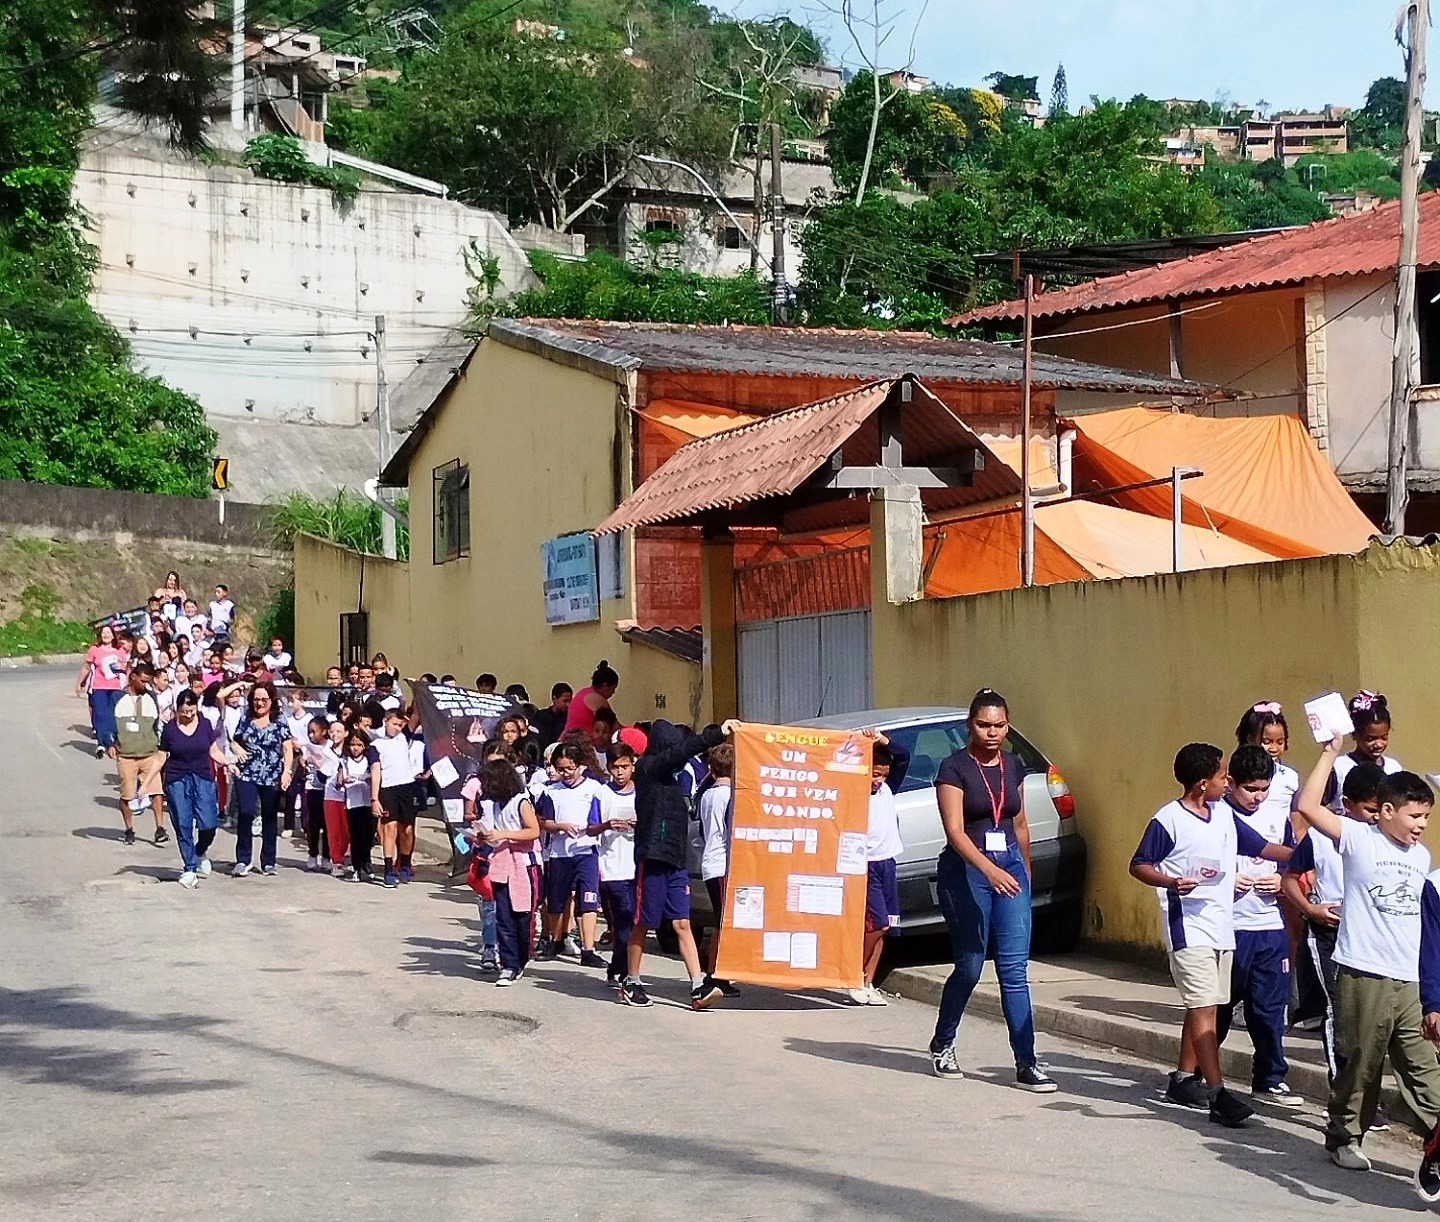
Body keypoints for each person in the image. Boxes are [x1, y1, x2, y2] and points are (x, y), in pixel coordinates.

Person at [1294, 738, 1440, 1174]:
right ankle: (1343, 1136)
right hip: (1363, 972)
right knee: (1362, 1062)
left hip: (1409, 979)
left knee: (1423, 1065)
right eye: (1415, 816)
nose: (1421, 826)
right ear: (1387, 811)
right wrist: (1329, 753)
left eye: (1428, 818)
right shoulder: (1359, 837)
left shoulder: (1422, 857)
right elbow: (1307, 805)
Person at [1130, 741, 1293, 1127]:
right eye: (1223, 776)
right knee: (1206, 1011)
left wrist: (1313, 852)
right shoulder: (1168, 819)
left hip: (1222, 929)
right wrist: (1171, 881)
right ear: (1204, 783)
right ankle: (1218, 1093)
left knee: (1207, 1007)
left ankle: (1184, 1079)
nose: (1228, 782)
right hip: (1189, 930)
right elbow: (1139, 864)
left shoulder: (1222, 815)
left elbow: (1264, 847)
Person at [928, 690, 1055, 1091]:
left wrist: (1025, 876)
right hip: (968, 870)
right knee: (969, 965)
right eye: (984, 725)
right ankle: (943, 1042)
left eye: (999, 725)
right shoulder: (954, 768)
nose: (992, 732)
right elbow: (954, 833)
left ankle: (1026, 1062)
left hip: (1011, 870)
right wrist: (988, 869)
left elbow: (1019, 826)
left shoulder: (1014, 765)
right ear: (970, 724)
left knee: (1014, 971)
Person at [1284, 762, 1386, 1083]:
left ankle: (1363, 1089)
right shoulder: (1320, 838)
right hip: (1328, 934)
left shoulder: (1387, 840)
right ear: (1348, 803)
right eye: (1369, 809)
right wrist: (1309, 910)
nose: (1375, 816)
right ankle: (1341, 1086)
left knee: (1369, 1016)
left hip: (1369, 938)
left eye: (1381, 810)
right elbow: (1289, 880)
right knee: (1337, 1010)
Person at [623, 718, 732, 1009]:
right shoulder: (648, 769)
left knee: (683, 922)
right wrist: (716, 734)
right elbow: (680, 753)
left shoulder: (677, 779)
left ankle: (698, 986)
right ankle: (631, 979)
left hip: (675, 859)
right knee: (644, 921)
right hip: (653, 857)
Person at [1214, 744, 1302, 1107]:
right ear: (1231, 783)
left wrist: (1282, 881)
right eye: (1251, 789)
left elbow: (1292, 860)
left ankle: (1269, 1077)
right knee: (1218, 1005)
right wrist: (1227, 880)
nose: (1258, 797)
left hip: (1269, 925)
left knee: (1269, 1008)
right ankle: (1199, 1070)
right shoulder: (1216, 816)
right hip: (1229, 927)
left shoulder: (1276, 815)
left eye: (1265, 789)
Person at [537, 743, 609, 968]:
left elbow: (599, 819)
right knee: (557, 899)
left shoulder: (595, 789)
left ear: (581, 766)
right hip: (559, 853)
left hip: (587, 851)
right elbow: (542, 821)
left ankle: (589, 948)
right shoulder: (550, 791)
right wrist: (559, 826)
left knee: (588, 900)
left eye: (569, 768)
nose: (565, 773)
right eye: (561, 769)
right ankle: (556, 939)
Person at [473, 758, 543, 986]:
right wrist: (484, 836)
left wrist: (503, 834)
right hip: (502, 864)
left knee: (522, 917)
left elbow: (533, 831)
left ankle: (521, 959)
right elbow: (494, 832)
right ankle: (509, 965)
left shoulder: (521, 802)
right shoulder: (493, 804)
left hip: (525, 864)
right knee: (503, 917)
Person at [854, 730, 910, 1007]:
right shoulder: (854, 792)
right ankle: (854, 974)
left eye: (884, 775)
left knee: (887, 926)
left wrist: (881, 739)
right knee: (876, 923)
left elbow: (903, 756)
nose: (879, 780)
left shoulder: (889, 787)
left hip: (888, 861)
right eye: (874, 774)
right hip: (866, 864)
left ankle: (868, 980)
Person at [158, 689, 229, 887]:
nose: (188, 715)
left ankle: (199, 851)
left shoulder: (205, 724)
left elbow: (213, 750)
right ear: (177, 709)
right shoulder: (170, 729)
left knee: (209, 823)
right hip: (177, 779)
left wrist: (228, 763)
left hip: (202, 777)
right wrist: (147, 781)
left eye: (192, 710)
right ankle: (189, 868)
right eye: (184, 711)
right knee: (183, 824)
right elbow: (161, 756)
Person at [229, 681, 295, 877]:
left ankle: (268, 861)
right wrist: (238, 749)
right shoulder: (246, 718)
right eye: (256, 699)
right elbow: (235, 741)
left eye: (263, 699)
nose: (259, 703)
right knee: (246, 812)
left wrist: (286, 772)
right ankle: (243, 859)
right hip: (247, 772)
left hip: (272, 774)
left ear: (271, 700)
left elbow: (287, 748)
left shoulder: (280, 720)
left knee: (269, 816)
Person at [697, 742, 742, 1000]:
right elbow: (730, 832)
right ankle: (715, 973)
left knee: (720, 919)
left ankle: (718, 971)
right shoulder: (730, 797)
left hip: (710, 860)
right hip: (723, 863)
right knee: (722, 921)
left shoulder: (707, 795)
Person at [598, 743, 639, 988]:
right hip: (612, 866)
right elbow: (590, 827)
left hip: (637, 864)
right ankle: (623, 969)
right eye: (615, 767)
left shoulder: (642, 793)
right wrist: (607, 825)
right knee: (624, 917)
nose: (620, 772)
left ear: (633, 766)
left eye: (625, 766)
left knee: (634, 919)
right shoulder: (602, 794)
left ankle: (619, 965)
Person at [114, 663, 168, 846]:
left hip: (149, 753)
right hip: (126, 754)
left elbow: (156, 724)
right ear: (133, 677)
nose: (146, 685)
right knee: (127, 795)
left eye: (148, 681)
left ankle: (160, 827)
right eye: (143, 681)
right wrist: (109, 742)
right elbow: (108, 722)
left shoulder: (150, 697)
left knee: (156, 791)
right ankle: (129, 828)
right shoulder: (117, 697)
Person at [1327, 690, 1402, 812]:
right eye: (1370, 739)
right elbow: (1321, 805)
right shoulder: (1339, 767)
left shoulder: (1394, 768)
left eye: (1384, 737)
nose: (1378, 744)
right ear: (1355, 734)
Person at [368, 707, 419, 888]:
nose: (397, 728)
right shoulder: (376, 745)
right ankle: (388, 869)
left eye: (400, 725)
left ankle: (405, 863)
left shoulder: (404, 737)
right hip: (388, 789)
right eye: (394, 724)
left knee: (407, 830)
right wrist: (375, 799)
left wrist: (418, 691)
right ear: (385, 721)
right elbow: (375, 772)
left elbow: (416, 715)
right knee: (390, 828)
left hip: (407, 787)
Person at [78, 623, 127, 759]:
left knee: (113, 716)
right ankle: (101, 742)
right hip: (99, 687)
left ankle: (112, 741)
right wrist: (80, 683)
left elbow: (125, 670)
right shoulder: (95, 650)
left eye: (108, 633)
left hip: (116, 688)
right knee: (100, 715)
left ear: (113, 635)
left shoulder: (120, 651)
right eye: (103, 633)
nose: (106, 635)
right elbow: (87, 667)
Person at [338, 731, 377, 882]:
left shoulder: (369, 760)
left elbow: (375, 777)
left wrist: (368, 780)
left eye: (359, 745)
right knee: (355, 836)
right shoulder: (345, 760)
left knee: (368, 835)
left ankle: (366, 862)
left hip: (367, 801)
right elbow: (339, 780)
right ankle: (356, 867)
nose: (355, 748)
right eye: (353, 744)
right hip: (352, 803)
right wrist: (344, 780)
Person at [301, 716, 336, 871]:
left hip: (328, 790)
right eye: (309, 732)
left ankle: (327, 856)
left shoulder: (331, 747)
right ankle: (313, 854)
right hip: (313, 788)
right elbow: (304, 761)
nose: (311, 735)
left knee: (328, 824)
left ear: (324, 731)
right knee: (313, 824)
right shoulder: (309, 747)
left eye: (314, 732)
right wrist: (304, 762)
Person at [319, 719, 351, 877]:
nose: (335, 734)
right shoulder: (325, 751)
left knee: (347, 830)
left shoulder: (350, 751)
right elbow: (321, 774)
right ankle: (336, 861)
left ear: (345, 733)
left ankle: (345, 857)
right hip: (331, 794)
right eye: (332, 731)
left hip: (349, 795)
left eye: (339, 731)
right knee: (334, 830)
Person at [564, 661, 618, 738]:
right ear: (605, 686)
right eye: (613, 689)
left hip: (566, 739)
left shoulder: (583, 693)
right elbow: (614, 727)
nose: (613, 692)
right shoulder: (597, 700)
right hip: (580, 744)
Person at [533, 683, 572, 749]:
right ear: (554, 699)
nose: (568, 705)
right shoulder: (541, 716)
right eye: (565, 701)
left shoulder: (569, 717)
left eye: (570, 701)